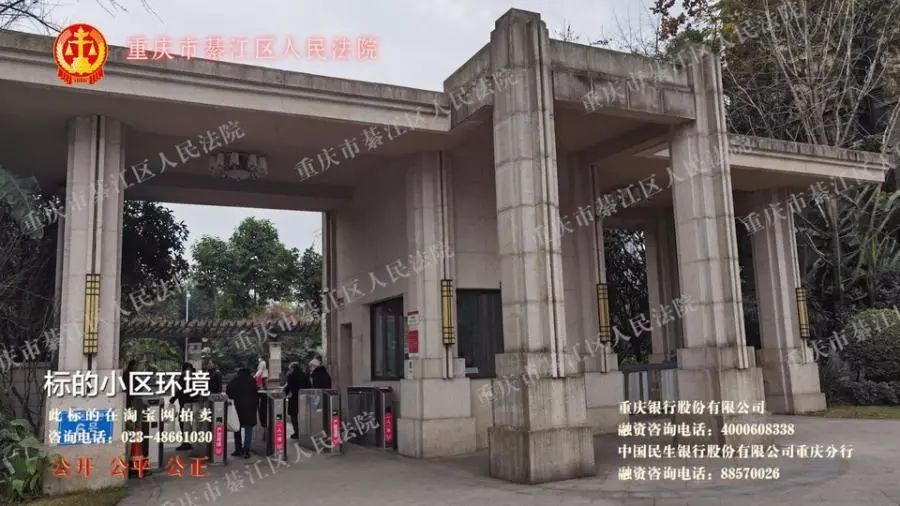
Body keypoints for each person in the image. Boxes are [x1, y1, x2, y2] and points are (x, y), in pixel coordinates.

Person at [226, 367, 258, 459]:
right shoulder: (252, 380)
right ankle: (246, 450)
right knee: (248, 429)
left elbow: (229, 391)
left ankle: (238, 449)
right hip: (250, 408)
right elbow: (256, 392)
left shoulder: (235, 380)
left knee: (237, 428)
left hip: (238, 407)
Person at [283, 362, 311, 439]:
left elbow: (289, 386)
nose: (289, 370)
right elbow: (309, 386)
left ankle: (297, 433)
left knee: (294, 416)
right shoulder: (305, 375)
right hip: (304, 397)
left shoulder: (291, 376)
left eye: (290, 368)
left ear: (293, 368)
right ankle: (304, 432)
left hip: (294, 398)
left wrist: (284, 394)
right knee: (304, 415)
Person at [255, 358, 269, 428]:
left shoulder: (262, 363)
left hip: (262, 379)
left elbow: (260, 371)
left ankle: (264, 424)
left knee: (262, 407)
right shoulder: (263, 363)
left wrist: (255, 377)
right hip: (262, 380)